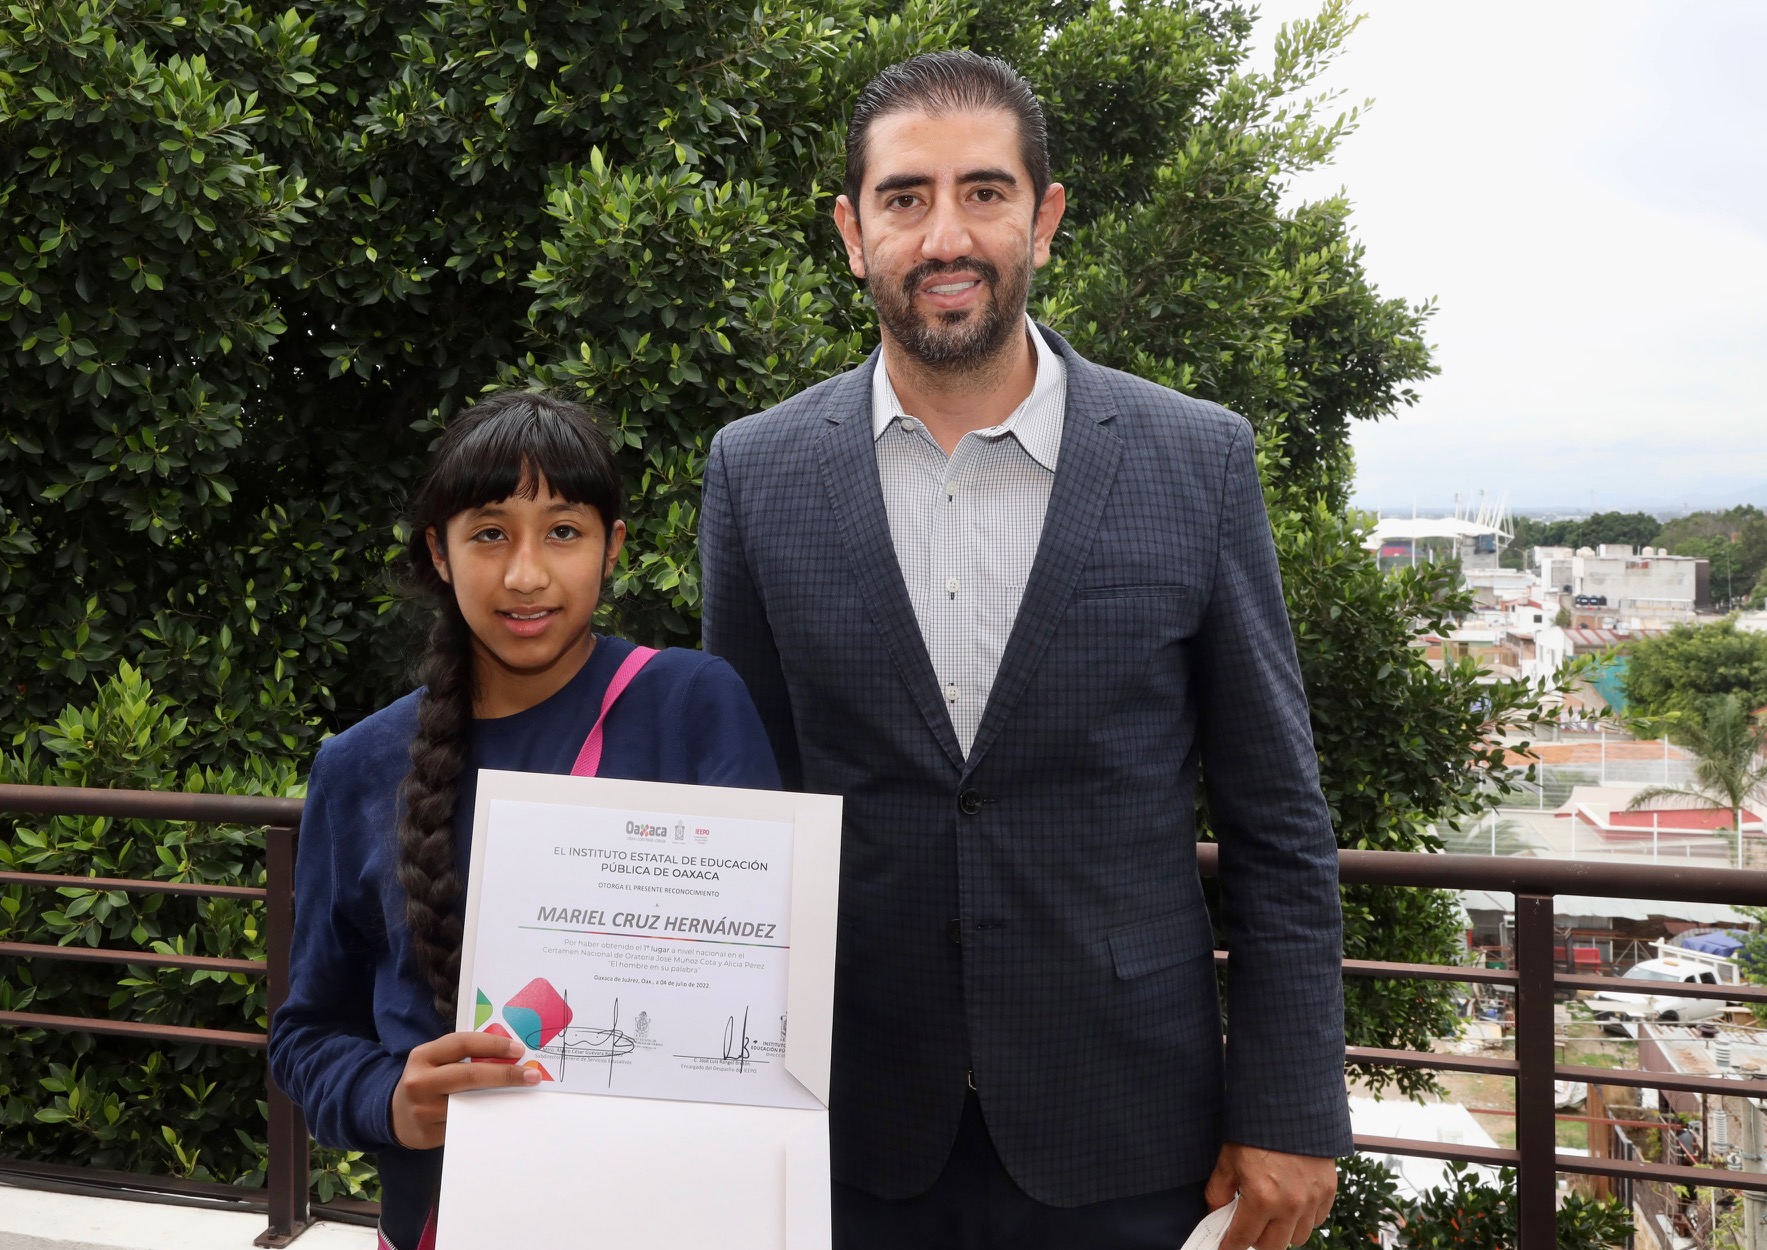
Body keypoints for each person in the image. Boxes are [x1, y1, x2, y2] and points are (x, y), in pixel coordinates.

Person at [699, 51, 1350, 1250]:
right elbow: (747, 809)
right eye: (905, 198)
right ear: (852, 233)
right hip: (848, 1130)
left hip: (1130, 1126)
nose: (945, 235)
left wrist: (1293, 1106)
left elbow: (1278, 820)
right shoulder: (756, 471)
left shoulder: (1197, 460)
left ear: (1043, 219)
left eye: (984, 192)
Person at [268, 392, 779, 1250]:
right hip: (438, 1223)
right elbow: (306, 1032)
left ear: (613, 548)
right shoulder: (356, 767)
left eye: (563, 531)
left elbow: (767, 992)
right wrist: (390, 1099)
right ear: (439, 552)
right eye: (489, 534)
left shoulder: (692, 705)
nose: (525, 575)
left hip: (664, 1213)